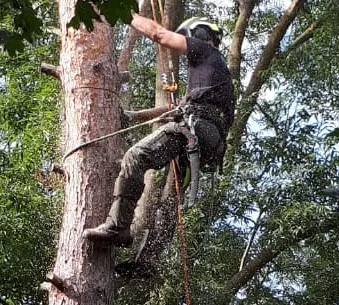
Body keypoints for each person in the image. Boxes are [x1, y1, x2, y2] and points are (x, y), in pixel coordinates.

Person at [84, 14, 235, 247]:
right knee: (170, 199)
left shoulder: (204, 50)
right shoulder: (218, 74)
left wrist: (125, 11)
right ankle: (149, 260)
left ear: (200, 35)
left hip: (193, 130)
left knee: (136, 156)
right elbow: (176, 108)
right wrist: (133, 117)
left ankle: (117, 227)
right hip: (207, 142)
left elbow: (159, 34)